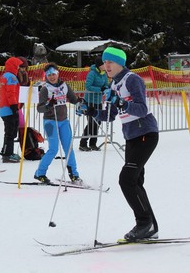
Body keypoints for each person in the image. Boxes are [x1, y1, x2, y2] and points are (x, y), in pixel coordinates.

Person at [87, 46, 159, 241]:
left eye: (110, 62)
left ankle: (144, 223)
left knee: (126, 179)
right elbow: (110, 116)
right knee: (135, 181)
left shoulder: (132, 79)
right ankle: (150, 226)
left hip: (146, 132)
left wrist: (120, 103)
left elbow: (142, 109)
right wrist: (91, 111)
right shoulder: (113, 85)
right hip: (131, 137)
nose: (106, 66)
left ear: (120, 63)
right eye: (104, 62)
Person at [34, 62, 83, 184]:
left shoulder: (64, 86)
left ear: (58, 73)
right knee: (53, 149)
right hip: (50, 122)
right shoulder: (46, 89)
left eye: (53, 74)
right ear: (46, 76)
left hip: (64, 121)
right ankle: (40, 173)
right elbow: (39, 108)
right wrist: (48, 105)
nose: (52, 76)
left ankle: (74, 175)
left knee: (69, 148)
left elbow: (73, 99)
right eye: (49, 74)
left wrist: (79, 102)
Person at [79, 56, 108, 151]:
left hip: (98, 101)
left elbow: (106, 84)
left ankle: (93, 143)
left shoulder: (104, 74)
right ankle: (83, 143)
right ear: (99, 65)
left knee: (98, 121)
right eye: (104, 63)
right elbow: (88, 86)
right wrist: (100, 89)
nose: (106, 65)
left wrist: (106, 88)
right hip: (90, 101)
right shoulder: (92, 73)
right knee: (91, 122)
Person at [0, 57, 23, 163]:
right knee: (11, 132)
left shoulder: (5, 76)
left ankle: (6, 151)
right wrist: (14, 106)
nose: (18, 68)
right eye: (17, 66)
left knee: (9, 131)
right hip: (9, 108)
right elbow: (11, 93)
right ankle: (8, 154)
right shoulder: (12, 77)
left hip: (4, 108)